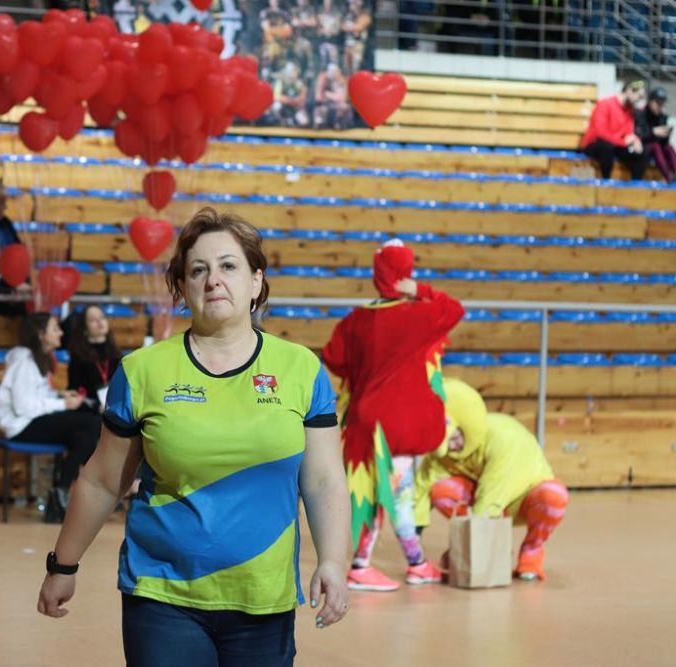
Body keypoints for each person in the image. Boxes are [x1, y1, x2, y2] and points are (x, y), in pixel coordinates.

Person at [38, 208, 351, 666]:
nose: (213, 280)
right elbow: (102, 481)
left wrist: (333, 561)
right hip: (162, 595)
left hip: (264, 598)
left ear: (256, 281)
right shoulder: (142, 371)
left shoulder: (301, 369)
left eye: (228, 266)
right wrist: (63, 565)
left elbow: (324, 480)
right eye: (198, 270)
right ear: (182, 288)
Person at [322, 239, 464, 592]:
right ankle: (365, 566)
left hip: (363, 421)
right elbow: (454, 309)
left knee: (377, 494)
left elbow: (333, 356)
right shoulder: (419, 315)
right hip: (396, 426)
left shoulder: (355, 319)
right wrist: (421, 291)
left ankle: (414, 563)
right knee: (393, 497)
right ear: (406, 273)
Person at [415, 378, 570, 581]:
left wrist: (471, 547)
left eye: (454, 439)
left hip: (524, 497)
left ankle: (532, 551)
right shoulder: (443, 453)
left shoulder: (503, 438)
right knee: (441, 491)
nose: (451, 448)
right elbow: (421, 490)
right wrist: (413, 539)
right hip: (487, 499)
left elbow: (493, 492)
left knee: (554, 496)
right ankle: (490, 544)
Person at [0, 313, 101, 523]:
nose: (60, 332)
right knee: (92, 423)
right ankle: (81, 488)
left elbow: (37, 394)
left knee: (81, 435)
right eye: (55, 328)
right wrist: (63, 404)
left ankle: (60, 495)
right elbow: (24, 407)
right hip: (21, 425)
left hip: (31, 420)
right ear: (40, 334)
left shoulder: (38, 358)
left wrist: (59, 395)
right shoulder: (25, 360)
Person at [580, 80, 648, 181]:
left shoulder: (630, 109)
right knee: (606, 148)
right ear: (629, 90)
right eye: (639, 96)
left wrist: (636, 140)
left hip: (616, 145)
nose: (639, 100)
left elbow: (629, 133)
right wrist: (622, 142)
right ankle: (606, 183)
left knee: (642, 151)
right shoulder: (605, 104)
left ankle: (635, 185)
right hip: (595, 144)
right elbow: (600, 133)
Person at [67, 305, 123, 413]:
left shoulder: (116, 354)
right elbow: (75, 392)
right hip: (90, 412)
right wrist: (96, 407)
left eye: (102, 317)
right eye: (93, 320)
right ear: (85, 328)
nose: (99, 322)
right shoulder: (78, 357)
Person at [635, 87, 675, 183]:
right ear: (650, 101)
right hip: (641, 147)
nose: (660, 106)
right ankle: (668, 177)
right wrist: (653, 132)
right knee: (655, 146)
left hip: (656, 146)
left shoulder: (661, 117)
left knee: (668, 147)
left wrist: (665, 134)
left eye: (662, 103)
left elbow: (664, 142)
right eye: (658, 103)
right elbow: (638, 134)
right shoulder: (640, 113)